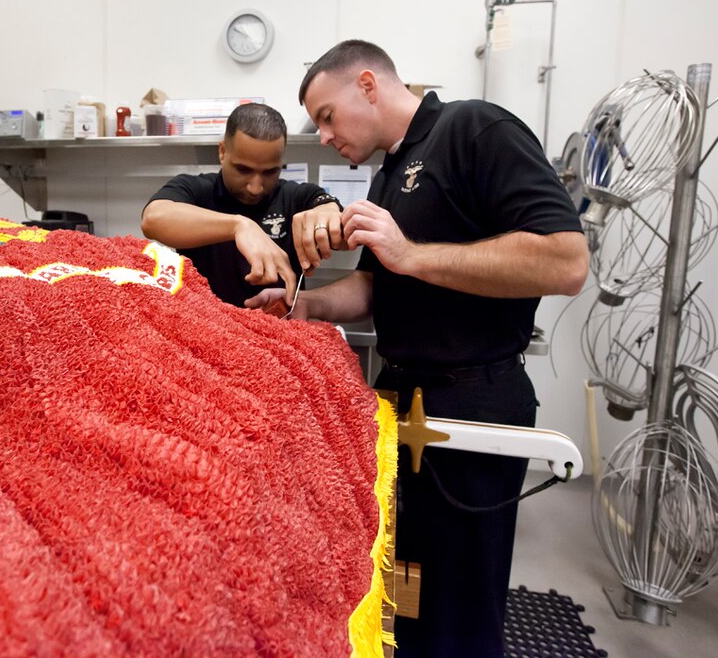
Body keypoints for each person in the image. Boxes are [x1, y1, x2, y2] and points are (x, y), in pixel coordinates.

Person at [247, 40, 589, 656]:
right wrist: (307, 307)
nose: (322, 137)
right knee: (407, 593)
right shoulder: (387, 172)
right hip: (404, 408)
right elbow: (380, 287)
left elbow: (566, 261)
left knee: (459, 607)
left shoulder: (474, 129)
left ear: (369, 85)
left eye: (326, 116)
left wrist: (414, 255)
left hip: (471, 403)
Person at [142, 102, 344, 308]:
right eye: (243, 170)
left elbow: (324, 205)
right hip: (205, 327)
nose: (255, 187)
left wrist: (327, 209)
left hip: (278, 330)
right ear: (222, 152)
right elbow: (153, 219)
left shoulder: (295, 196)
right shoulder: (196, 189)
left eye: (269, 172)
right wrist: (239, 226)